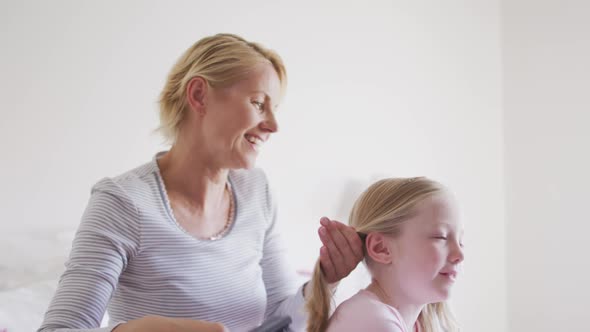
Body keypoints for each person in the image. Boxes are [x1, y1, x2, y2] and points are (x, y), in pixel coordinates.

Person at [38, 33, 363, 332]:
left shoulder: (256, 190)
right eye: (258, 103)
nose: (273, 125)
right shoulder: (123, 202)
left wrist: (325, 280)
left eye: (275, 109)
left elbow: (280, 318)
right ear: (198, 95)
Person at [305, 177, 465, 332]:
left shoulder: (415, 324)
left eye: (461, 241)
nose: (460, 254)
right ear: (381, 248)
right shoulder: (372, 320)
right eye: (440, 237)